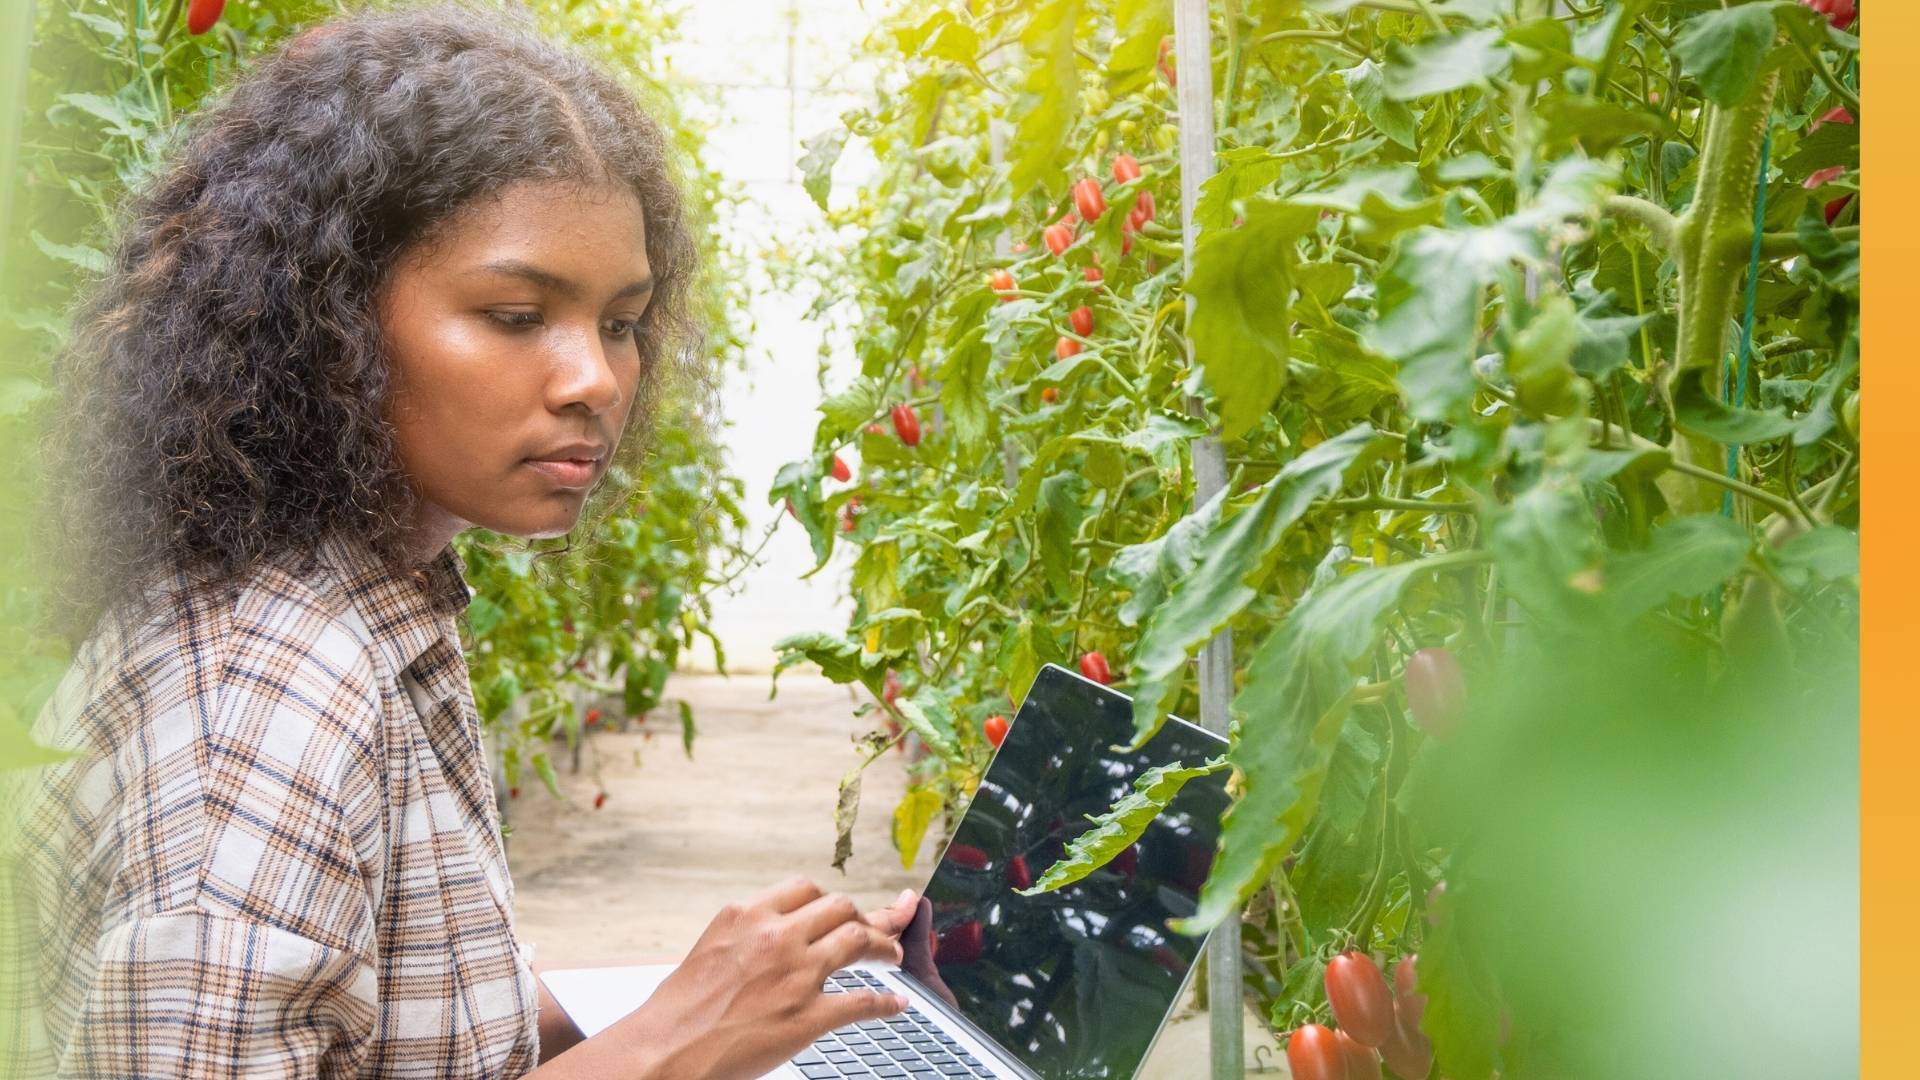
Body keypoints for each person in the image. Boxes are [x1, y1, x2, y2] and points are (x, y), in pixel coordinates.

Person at [0, 5, 915, 1077]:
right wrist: (677, 1045)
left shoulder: (372, 603)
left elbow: (393, 1019)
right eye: (517, 315)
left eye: (621, 322)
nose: (597, 381)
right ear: (326, 318)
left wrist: (732, 996)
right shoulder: (272, 695)